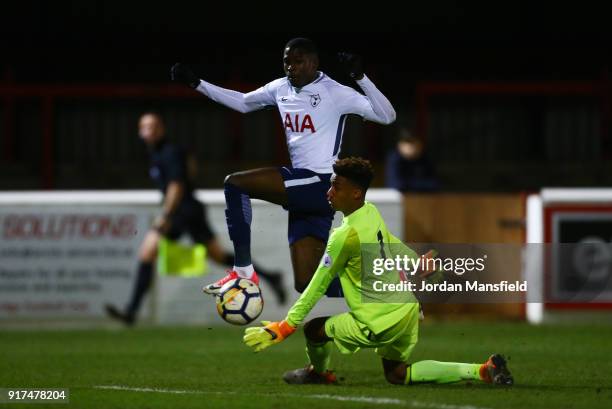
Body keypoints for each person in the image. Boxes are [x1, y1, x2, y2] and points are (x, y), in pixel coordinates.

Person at [242, 157, 513, 386]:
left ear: (356, 194)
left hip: (379, 321)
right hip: (406, 310)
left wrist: (287, 325)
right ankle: (482, 370)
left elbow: (318, 283)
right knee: (397, 374)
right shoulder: (370, 212)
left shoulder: (344, 235)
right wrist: (418, 263)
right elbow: (392, 243)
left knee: (314, 329)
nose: (329, 192)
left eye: (336, 186)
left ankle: (319, 373)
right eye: (330, 185)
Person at [170, 38, 396, 297]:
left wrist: (360, 77)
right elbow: (243, 102)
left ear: (313, 63)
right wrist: (197, 84)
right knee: (307, 283)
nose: (291, 67)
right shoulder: (280, 88)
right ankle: (388, 292)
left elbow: (387, 116)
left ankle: (242, 270)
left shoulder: (335, 92)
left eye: (298, 61)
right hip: (307, 191)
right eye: (287, 61)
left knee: (235, 183)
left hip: (320, 182)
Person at [105, 112, 286, 326]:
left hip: (184, 211)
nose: (147, 132)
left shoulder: (168, 152)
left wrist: (166, 215)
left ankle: (131, 312)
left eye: (152, 126)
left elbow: (177, 185)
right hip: (188, 210)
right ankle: (271, 277)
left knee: (147, 253)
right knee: (217, 256)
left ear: (161, 128)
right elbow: (189, 169)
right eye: (144, 127)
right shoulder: (159, 153)